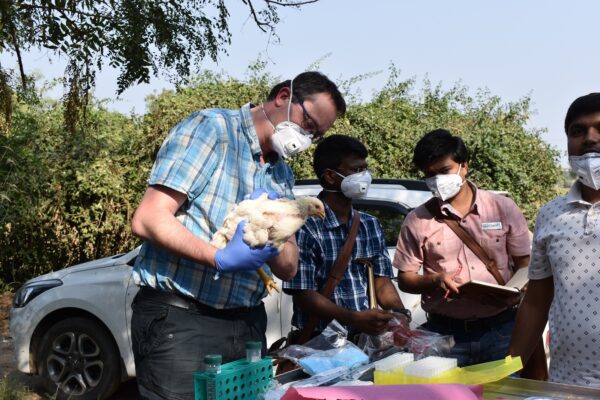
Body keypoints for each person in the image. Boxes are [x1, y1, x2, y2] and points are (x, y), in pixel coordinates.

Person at [130, 71, 346, 399]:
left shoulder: (281, 174)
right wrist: (217, 257)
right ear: (284, 97)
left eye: (314, 135)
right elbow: (148, 218)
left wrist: (275, 232)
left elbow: (288, 269)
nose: (305, 137)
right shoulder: (213, 129)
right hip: (182, 322)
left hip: (246, 325)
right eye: (308, 123)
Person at [394, 129, 531, 367]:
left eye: (444, 170)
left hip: (501, 330)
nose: (437, 180)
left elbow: (525, 265)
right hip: (445, 337)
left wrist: (514, 290)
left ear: (464, 166)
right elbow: (405, 279)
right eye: (430, 174)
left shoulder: (503, 208)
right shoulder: (417, 220)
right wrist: (436, 280)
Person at [509, 93, 600, 387]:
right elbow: (536, 301)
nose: (590, 138)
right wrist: (508, 372)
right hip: (568, 384)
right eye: (578, 131)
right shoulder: (551, 215)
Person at [283, 134, 409, 341]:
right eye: (356, 170)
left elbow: (381, 279)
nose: (365, 176)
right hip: (320, 341)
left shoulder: (370, 224)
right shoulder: (304, 227)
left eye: (365, 169)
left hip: (364, 339)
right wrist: (352, 318)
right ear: (331, 176)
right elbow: (303, 293)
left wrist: (399, 314)